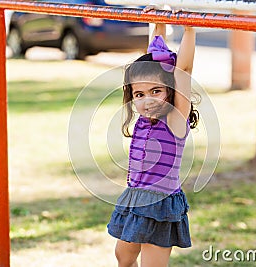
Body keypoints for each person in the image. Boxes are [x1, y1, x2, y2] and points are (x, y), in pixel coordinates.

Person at [107, 6, 198, 267]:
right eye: (139, 95)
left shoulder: (174, 120)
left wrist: (189, 27)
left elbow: (184, 71)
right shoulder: (144, 120)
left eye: (156, 91)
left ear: (170, 92)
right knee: (123, 256)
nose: (147, 100)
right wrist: (158, 23)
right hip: (135, 197)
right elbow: (151, 58)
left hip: (159, 205)